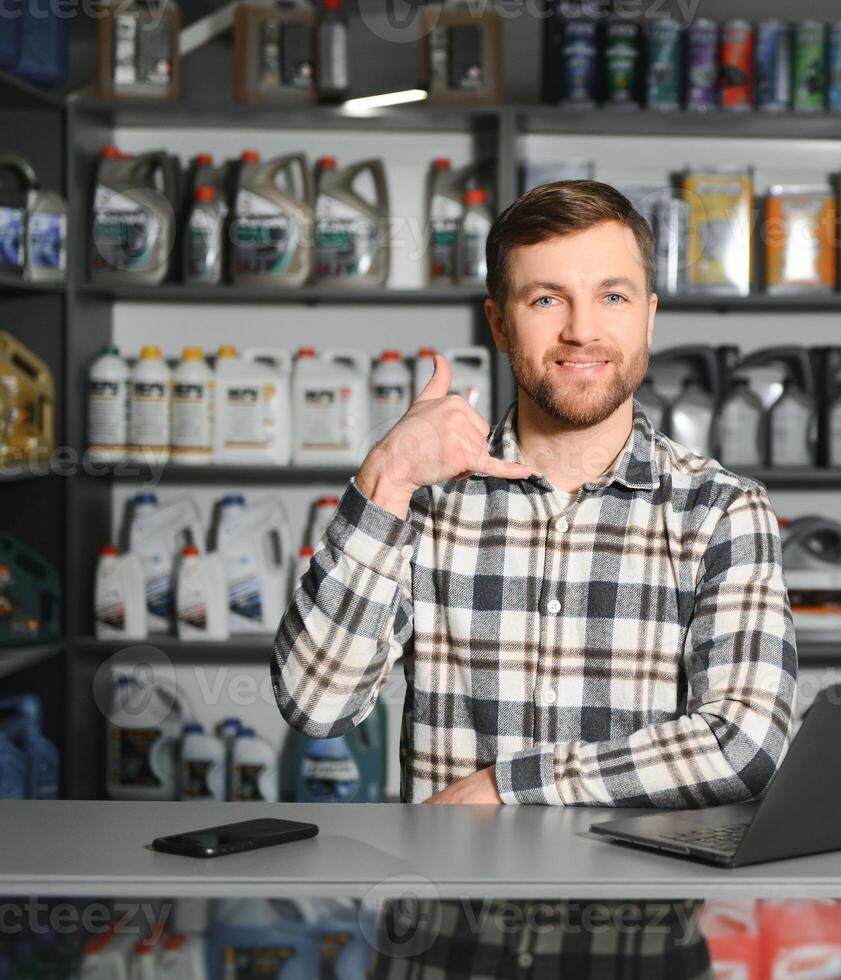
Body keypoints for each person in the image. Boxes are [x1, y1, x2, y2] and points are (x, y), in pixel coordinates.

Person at [272, 179, 799, 978]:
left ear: (649, 315)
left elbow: (745, 743)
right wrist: (384, 479)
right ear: (497, 321)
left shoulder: (721, 511)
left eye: (612, 295)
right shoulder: (425, 495)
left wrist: (507, 786)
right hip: (441, 956)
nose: (583, 330)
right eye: (546, 298)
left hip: (640, 956)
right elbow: (315, 705)